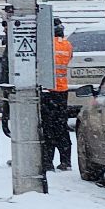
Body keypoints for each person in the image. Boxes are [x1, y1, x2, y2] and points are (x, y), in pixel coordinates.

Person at [42, 19, 74, 171]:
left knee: (48, 128)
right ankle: (66, 161)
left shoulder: (46, 45)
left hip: (48, 91)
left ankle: (48, 162)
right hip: (62, 90)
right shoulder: (67, 45)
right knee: (61, 127)